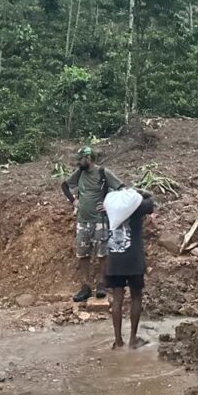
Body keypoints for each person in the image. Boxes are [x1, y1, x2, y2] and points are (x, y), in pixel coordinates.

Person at [61, 146, 124, 302]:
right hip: (83, 221)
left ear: (88, 159)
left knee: (102, 254)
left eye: (80, 159)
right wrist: (74, 201)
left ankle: (102, 284)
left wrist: (108, 203)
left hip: (100, 221)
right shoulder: (80, 172)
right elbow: (64, 185)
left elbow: (121, 188)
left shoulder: (103, 173)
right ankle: (85, 286)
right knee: (83, 254)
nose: (78, 162)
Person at [105, 189, 155, 350]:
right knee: (136, 296)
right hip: (133, 259)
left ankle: (118, 340)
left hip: (114, 258)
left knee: (117, 299)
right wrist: (139, 191)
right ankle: (133, 339)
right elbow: (151, 201)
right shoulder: (137, 207)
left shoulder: (109, 208)